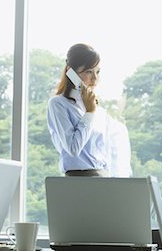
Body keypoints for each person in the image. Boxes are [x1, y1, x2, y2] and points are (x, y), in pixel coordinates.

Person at [47, 43, 132, 177]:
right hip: (78, 180)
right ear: (71, 72)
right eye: (88, 72)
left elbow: (107, 155)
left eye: (97, 72)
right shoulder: (58, 104)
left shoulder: (100, 111)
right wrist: (89, 112)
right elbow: (73, 148)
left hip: (104, 178)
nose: (95, 78)